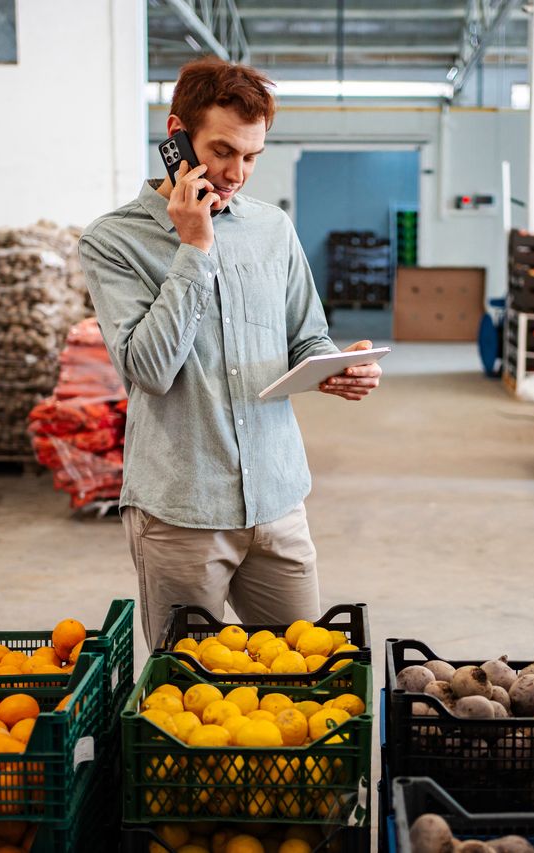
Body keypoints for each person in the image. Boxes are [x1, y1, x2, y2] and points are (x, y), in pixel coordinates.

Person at [78, 57, 382, 646]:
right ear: (177, 137)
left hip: (277, 501)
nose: (237, 173)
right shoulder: (113, 241)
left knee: (302, 677)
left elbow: (306, 335)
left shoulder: (273, 229)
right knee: (189, 692)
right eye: (222, 152)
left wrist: (335, 368)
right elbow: (148, 370)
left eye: (251, 157)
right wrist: (195, 247)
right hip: (182, 511)